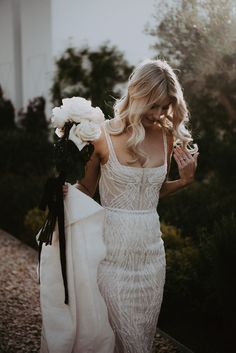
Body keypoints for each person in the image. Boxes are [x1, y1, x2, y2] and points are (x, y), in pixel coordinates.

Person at [61, 58, 199, 353]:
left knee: (142, 337)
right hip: (110, 256)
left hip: (151, 256)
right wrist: (67, 194)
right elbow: (87, 188)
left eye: (165, 107)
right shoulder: (101, 136)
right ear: (137, 96)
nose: (159, 113)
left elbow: (153, 192)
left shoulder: (166, 135)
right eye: (153, 105)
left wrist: (185, 181)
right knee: (117, 338)